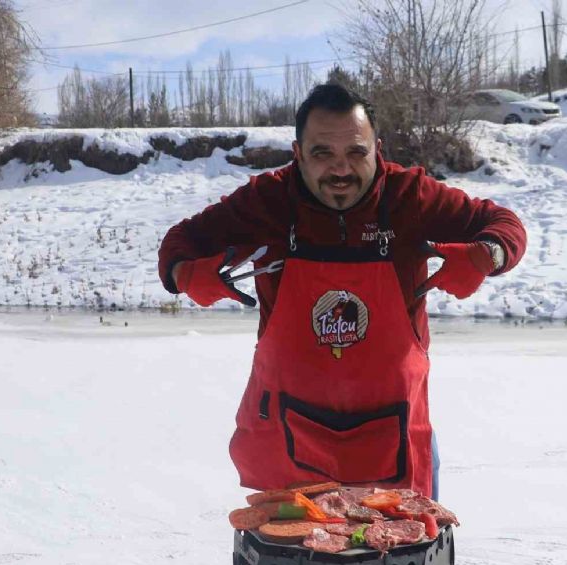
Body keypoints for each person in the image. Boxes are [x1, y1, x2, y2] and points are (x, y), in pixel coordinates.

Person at [158, 83, 526, 502]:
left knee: (404, 559)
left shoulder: (411, 197)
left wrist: (486, 255)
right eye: (322, 154)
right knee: (291, 563)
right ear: (298, 154)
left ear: (377, 149)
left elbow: (504, 224)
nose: (340, 169)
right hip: (289, 436)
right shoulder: (268, 201)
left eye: (356, 152)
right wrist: (183, 274)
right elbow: (180, 241)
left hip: (395, 435)